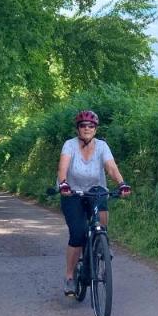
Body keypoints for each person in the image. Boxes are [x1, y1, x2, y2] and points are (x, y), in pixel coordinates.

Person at [57, 109, 131, 295]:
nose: (87, 128)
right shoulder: (70, 145)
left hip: (95, 189)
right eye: (83, 126)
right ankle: (69, 277)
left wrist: (121, 183)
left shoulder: (102, 146)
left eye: (91, 126)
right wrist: (63, 183)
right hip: (72, 192)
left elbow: (111, 167)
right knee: (78, 234)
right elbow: (63, 167)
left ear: (95, 129)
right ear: (78, 129)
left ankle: (102, 243)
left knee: (102, 212)